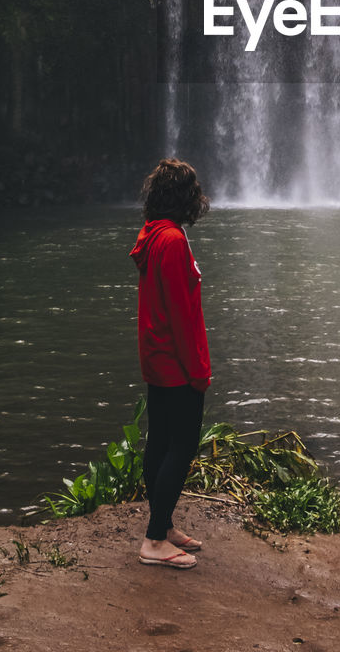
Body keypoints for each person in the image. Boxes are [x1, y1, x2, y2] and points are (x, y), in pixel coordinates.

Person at [129, 157, 211, 570]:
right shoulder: (173, 241)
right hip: (176, 363)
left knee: (159, 442)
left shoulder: (154, 234)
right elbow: (181, 314)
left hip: (157, 356)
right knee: (181, 445)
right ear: (186, 197)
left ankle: (163, 524)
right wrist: (198, 371)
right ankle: (155, 540)